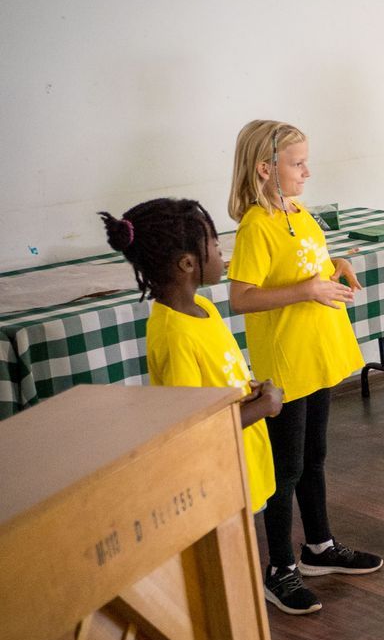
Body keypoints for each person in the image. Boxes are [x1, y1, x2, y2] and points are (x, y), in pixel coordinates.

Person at [225, 120, 383, 615]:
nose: (307, 171)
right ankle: (280, 569)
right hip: (285, 364)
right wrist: (308, 290)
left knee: (314, 456)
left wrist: (334, 266)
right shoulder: (256, 224)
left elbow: (303, 263)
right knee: (285, 469)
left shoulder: (296, 210)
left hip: (317, 353)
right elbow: (241, 297)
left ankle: (318, 547)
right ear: (265, 170)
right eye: (298, 164)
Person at [101, 199, 283, 523]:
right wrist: (264, 406)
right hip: (215, 479)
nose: (221, 251)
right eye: (214, 245)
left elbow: (217, 383)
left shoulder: (204, 309)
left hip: (243, 466)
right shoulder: (175, 334)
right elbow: (191, 427)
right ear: (187, 263)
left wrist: (251, 390)